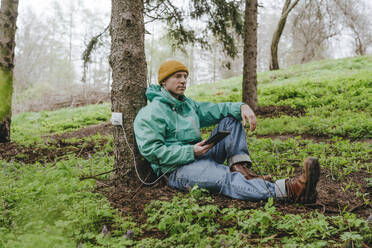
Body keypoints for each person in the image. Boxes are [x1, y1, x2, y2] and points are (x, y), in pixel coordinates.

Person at [134, 60, 320, 203]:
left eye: (185, 76)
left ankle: (242, 170)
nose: (183, 81)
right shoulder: (150, 113)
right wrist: (190, 151)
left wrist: (242, 106)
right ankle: (291, 190)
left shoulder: (187, 105)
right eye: (177, 76)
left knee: (231, 120)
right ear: (164, 81)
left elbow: (215, 111)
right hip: (177, 169)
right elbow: (152, 152)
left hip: (200, 154)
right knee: (224, 177)